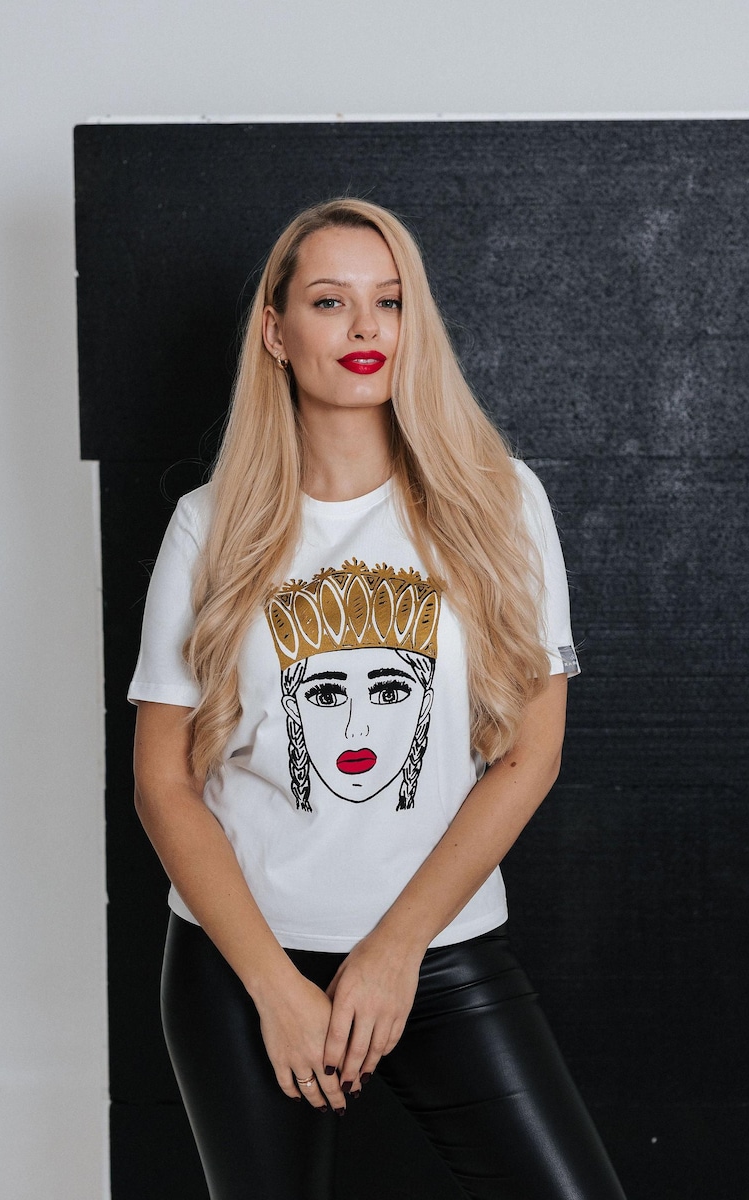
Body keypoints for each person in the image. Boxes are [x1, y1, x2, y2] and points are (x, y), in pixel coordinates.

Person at [128, 198, 626, 1200]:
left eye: (389, 302)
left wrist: (396, 952)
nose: (365, 327)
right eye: (329, 301)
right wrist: (274, 988)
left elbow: (531, 754)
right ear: (276, 332)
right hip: (243, 967)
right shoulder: (206, 526)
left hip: (434, 948)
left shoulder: (499, 501)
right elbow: (164, 785)